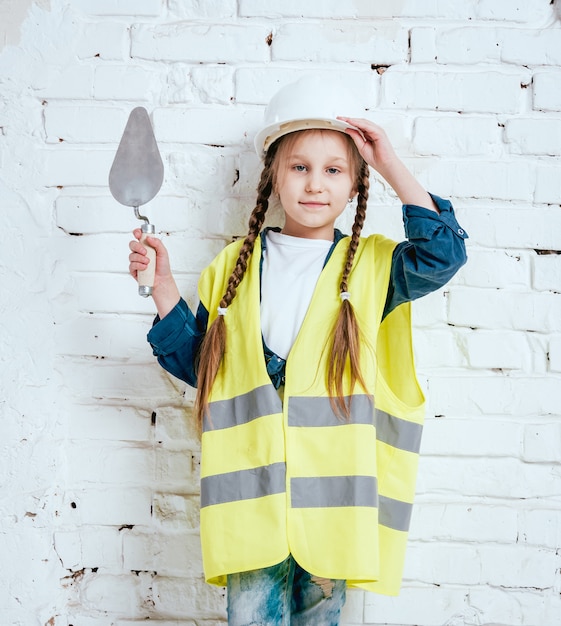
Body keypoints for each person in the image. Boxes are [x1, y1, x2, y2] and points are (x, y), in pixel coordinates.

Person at [128, 76, 468, 626]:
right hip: (250, 504)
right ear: (274, 177)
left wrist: (387, 163)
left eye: (335, 170)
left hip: (333, 509)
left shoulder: (374, 267)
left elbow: (442, 254)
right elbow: (204, 369)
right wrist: (164, 286)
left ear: (356, 185)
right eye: (299, 167)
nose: (315, 184)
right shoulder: (233, 268)